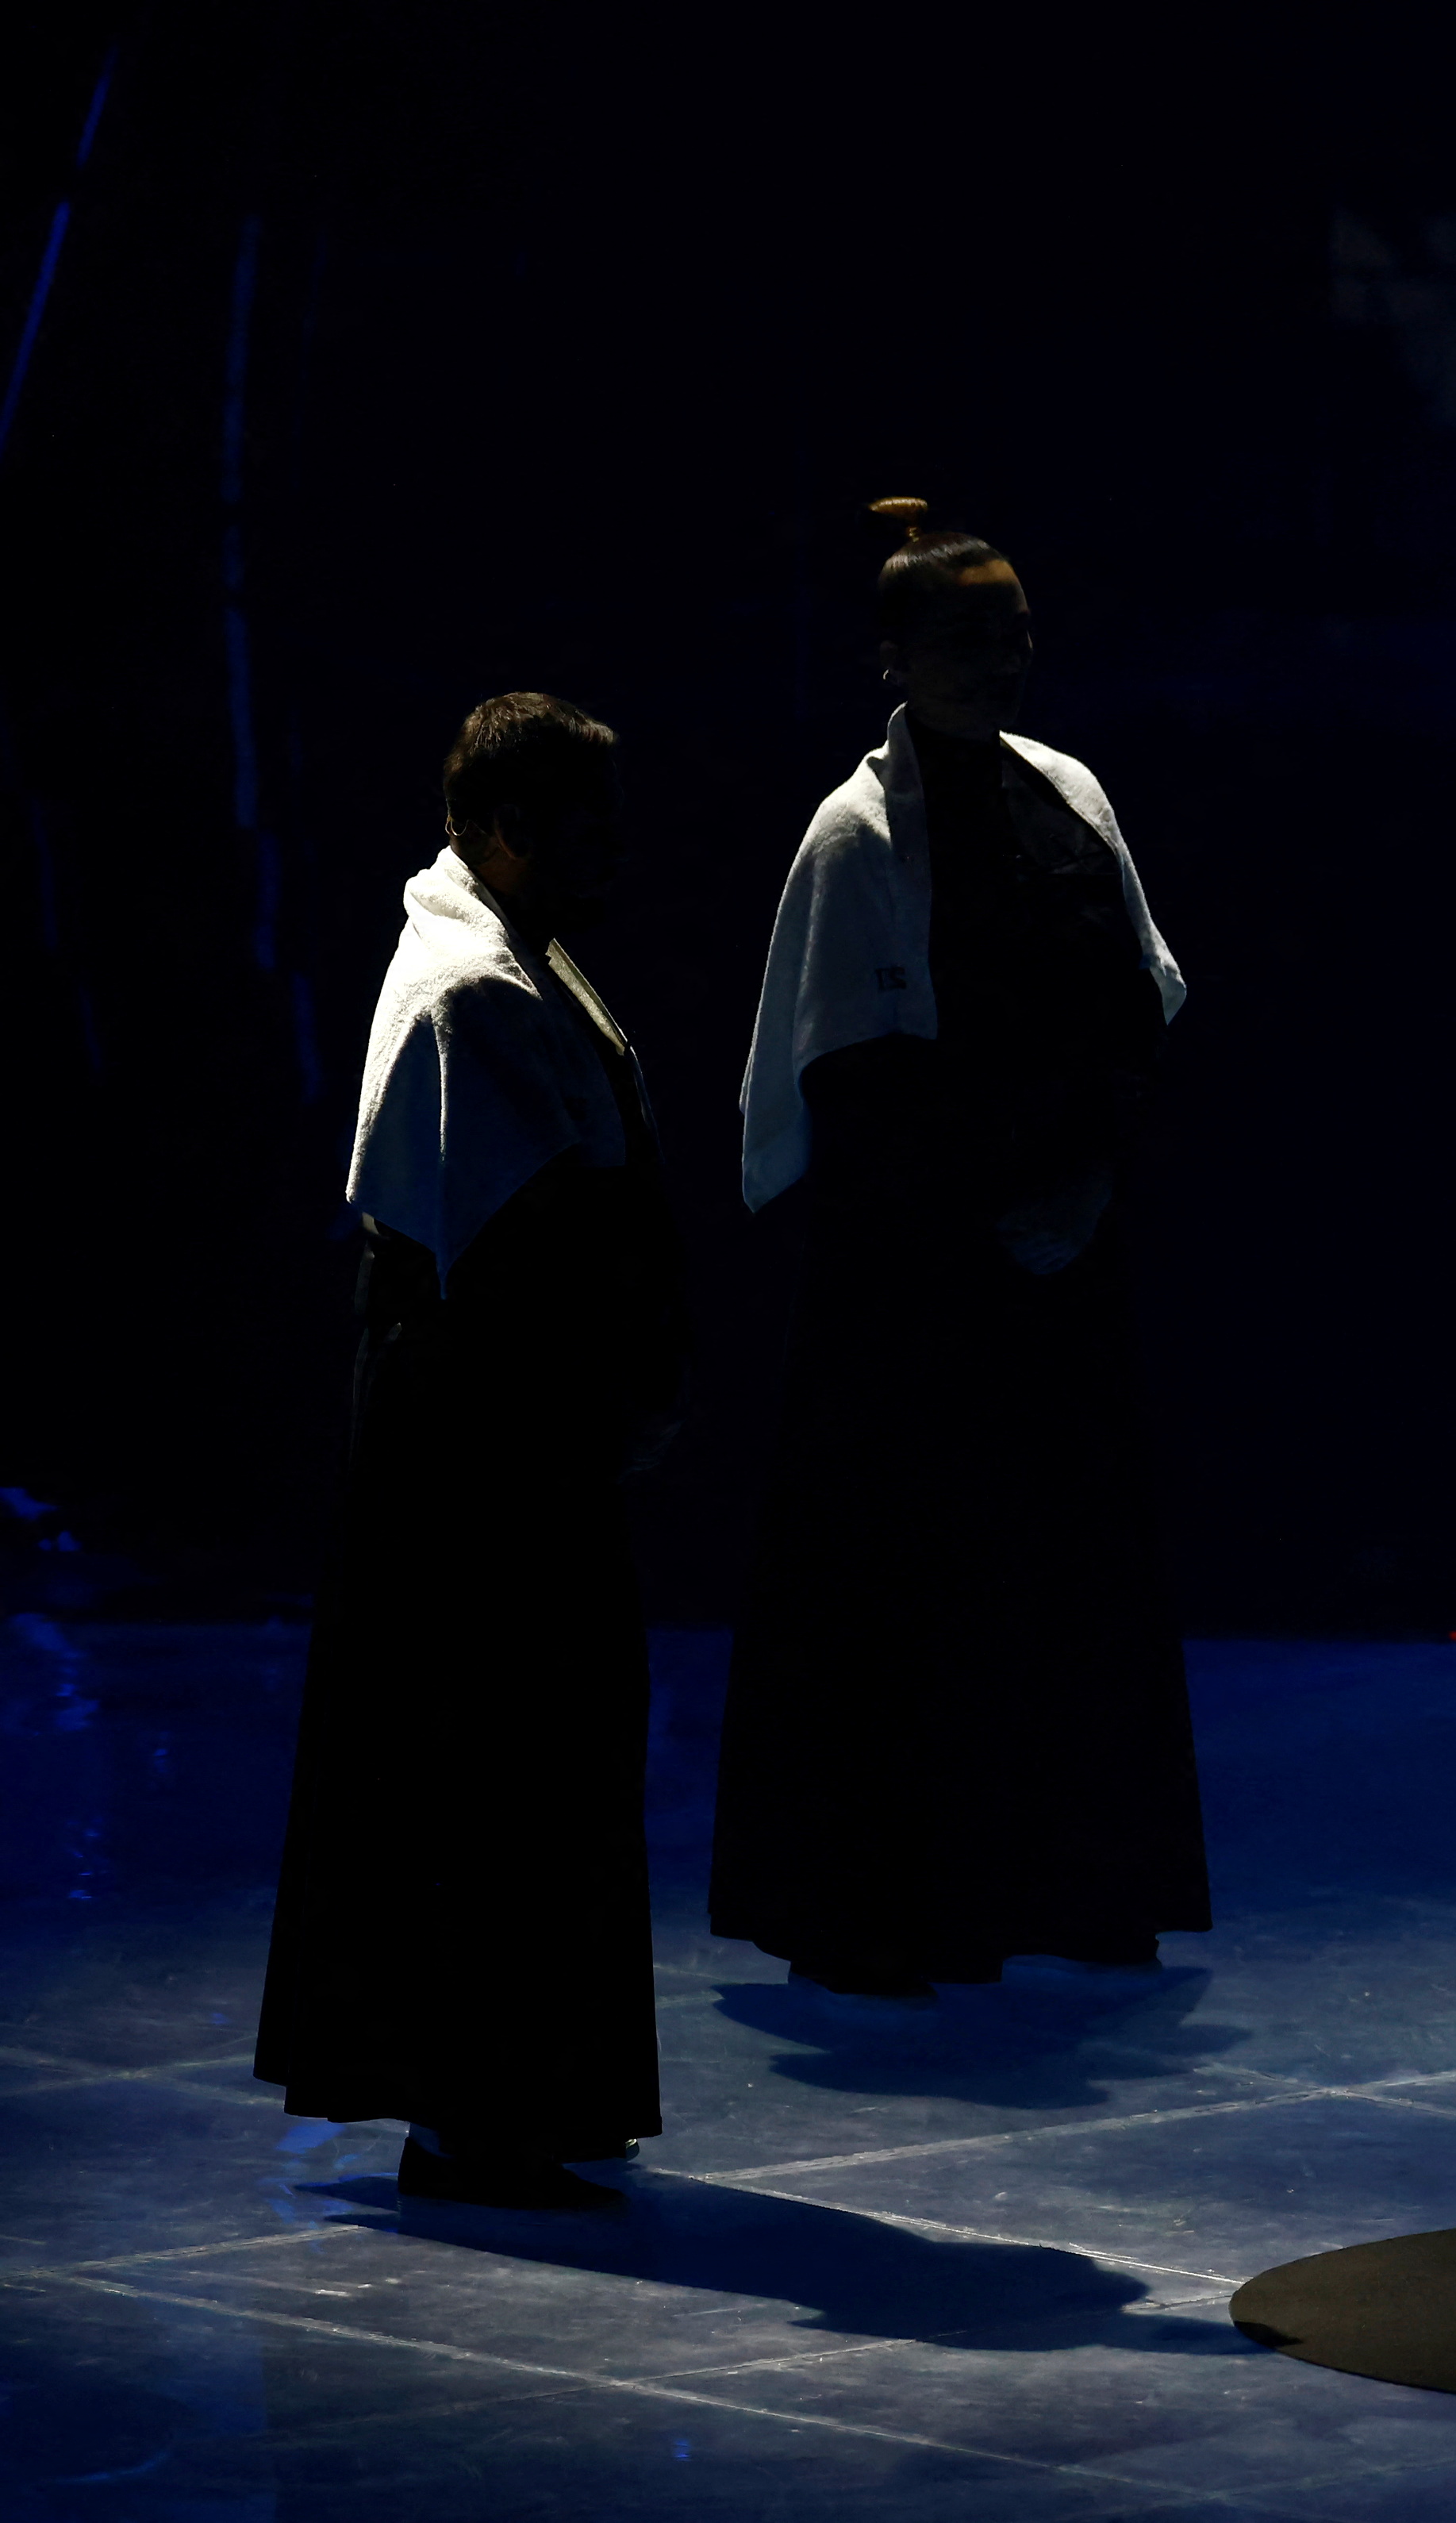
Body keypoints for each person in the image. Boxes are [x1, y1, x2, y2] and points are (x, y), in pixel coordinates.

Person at [712, 498, 1204, 2002]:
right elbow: (854, 1071)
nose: (1000, 663)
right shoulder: (858, 831)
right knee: (911, 1587)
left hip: (1064, 1254)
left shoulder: (1069, 791)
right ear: (896, 658)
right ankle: (896, 1899)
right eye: (966, 639)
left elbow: (1140, 1004)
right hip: (918, 1283)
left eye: (1016, 636)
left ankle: (1072, 1877)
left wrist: (1087, 1184)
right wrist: (990, 1207)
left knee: (1068, 1577)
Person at [256, 694, 685, 2210]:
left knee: (534, 1755)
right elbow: (518, 1239)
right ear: (506, 832)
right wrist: (614, 1391)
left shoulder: (508, 956)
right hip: (478, 1434)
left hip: (504, 1416)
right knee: (485, 1757)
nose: (613, 859)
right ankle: (471, 2107)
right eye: (585, 830)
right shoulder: (471, 990)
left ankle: (516, 2095)